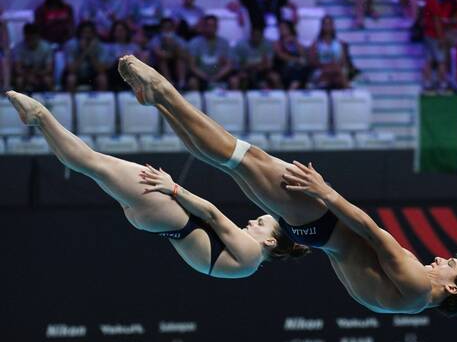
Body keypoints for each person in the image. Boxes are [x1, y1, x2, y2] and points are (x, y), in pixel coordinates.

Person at [118, 55, 457, 316]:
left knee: (241, 156)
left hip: (322, 221)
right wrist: (315, 233)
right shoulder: (400, 302)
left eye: (451, 265)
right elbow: (347, 260)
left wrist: (324, 193)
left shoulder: (414, 287)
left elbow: (371, 230)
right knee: (230, 161)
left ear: (453, 288)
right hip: (317, 232)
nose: (443, 258)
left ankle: (162, 90)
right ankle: (159, 102)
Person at [5, 90, 310, 278]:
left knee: (92, 162)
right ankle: (39, 121)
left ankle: (41, 114)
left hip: (166, 211)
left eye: (259, 223)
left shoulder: (251, 253)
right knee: (91, 165)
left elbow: (213, 214)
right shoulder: (244, 268)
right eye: (258, 218)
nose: (251, 221)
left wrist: (172, 187)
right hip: (157, 222)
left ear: (270, 241)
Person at [187, 15, 233, 91]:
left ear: (217, 27)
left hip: (219, 75)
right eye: (208, 25)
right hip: (201, 76)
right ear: (204, 27)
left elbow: (229, 65)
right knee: (192, 82)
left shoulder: (224, 43)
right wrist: (206, 77)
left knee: (234, 80)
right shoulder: (194, 43)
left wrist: (218, 76)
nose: (211, 28)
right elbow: (192, 66)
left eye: (214, 25)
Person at [227, 0, 297, 39]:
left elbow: (293, 5)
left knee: (289, 37)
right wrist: (240, 12)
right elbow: (230, 5)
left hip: (277, 31)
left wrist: (294, 12)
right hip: (258, 32)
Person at [63, 21, 109, 91]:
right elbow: (71, 69)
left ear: (94, 34)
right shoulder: (71, 45)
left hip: (92, 75)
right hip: (77, 74)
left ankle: (103, 101)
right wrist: (84, 51)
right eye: (84, 32)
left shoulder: (100, 46)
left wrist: (90, 53)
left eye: (89, 32)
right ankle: (70, 101)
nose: (87, 35)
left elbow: (100, 69)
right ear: (79, 34)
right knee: (71, 79)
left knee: (102, 79)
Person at [309, 15, 349, 89]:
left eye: (329, 24)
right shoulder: (316, 44)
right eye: (325, 24)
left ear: (333, 26)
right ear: (322, 26)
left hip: (336, 69)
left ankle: (346, 95)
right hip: (321, 69)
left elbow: (343, 61)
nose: (327, 26)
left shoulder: (339, 43)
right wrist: (325, 66)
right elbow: (312, 60)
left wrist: (333, 66)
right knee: (330, 75)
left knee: (338, 75)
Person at [11, 23, 54, 92]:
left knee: (48, 80)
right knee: (19, 80)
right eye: (28, 38)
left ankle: (50, 100)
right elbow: (17, 69)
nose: (31, 41)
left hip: (40, 75)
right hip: (25, 75)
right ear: (25, 36)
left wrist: (36, 74)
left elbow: (49, 69)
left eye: (33, 38)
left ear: (38, 36)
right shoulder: (18, 48)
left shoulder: (46, 47)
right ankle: (19, 100)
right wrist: (28, 76)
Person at [149, 17, 187, 89]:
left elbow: (183, 54)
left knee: (180, 60)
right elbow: (159, 53)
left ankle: (182, 83)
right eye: (165, 28)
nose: (167, 30)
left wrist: (173, 45)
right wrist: (173, 53)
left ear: (173, 28)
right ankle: (170, 84)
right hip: (159, 66)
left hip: (175, 63)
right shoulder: (156, 39)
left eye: (169, 28)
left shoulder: (178, 39)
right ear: (161, 29)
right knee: (162, 60)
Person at [422, 0, 449, 90]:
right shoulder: (433, 1)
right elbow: (436, 20)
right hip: (434, 35)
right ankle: (442, 83)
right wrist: (441, 37)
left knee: (428, 60)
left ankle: (427, 83)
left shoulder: (428, 0)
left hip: (427, 34)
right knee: (441, 60)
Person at [106, 20, 142, 91]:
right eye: (118, 30)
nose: (120, 33)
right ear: (113, 33)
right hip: (115, 72)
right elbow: (106, 65)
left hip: (133, 71)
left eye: (122, 30)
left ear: (126, 32)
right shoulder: (109, 47)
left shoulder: (135, 47)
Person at [274, 21, 309, 90]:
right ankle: (291, 91)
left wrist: (295, 41)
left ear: (290, 29)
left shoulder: (295, 41)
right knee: (295, 72)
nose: (282, 29)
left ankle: (293, 89)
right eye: (280, 28)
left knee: (303, 69)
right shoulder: (278, 43)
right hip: (284, 67)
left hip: (297, 67)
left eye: (284, 27)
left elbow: (303, 54)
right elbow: (280, 55)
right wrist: (296, 60)